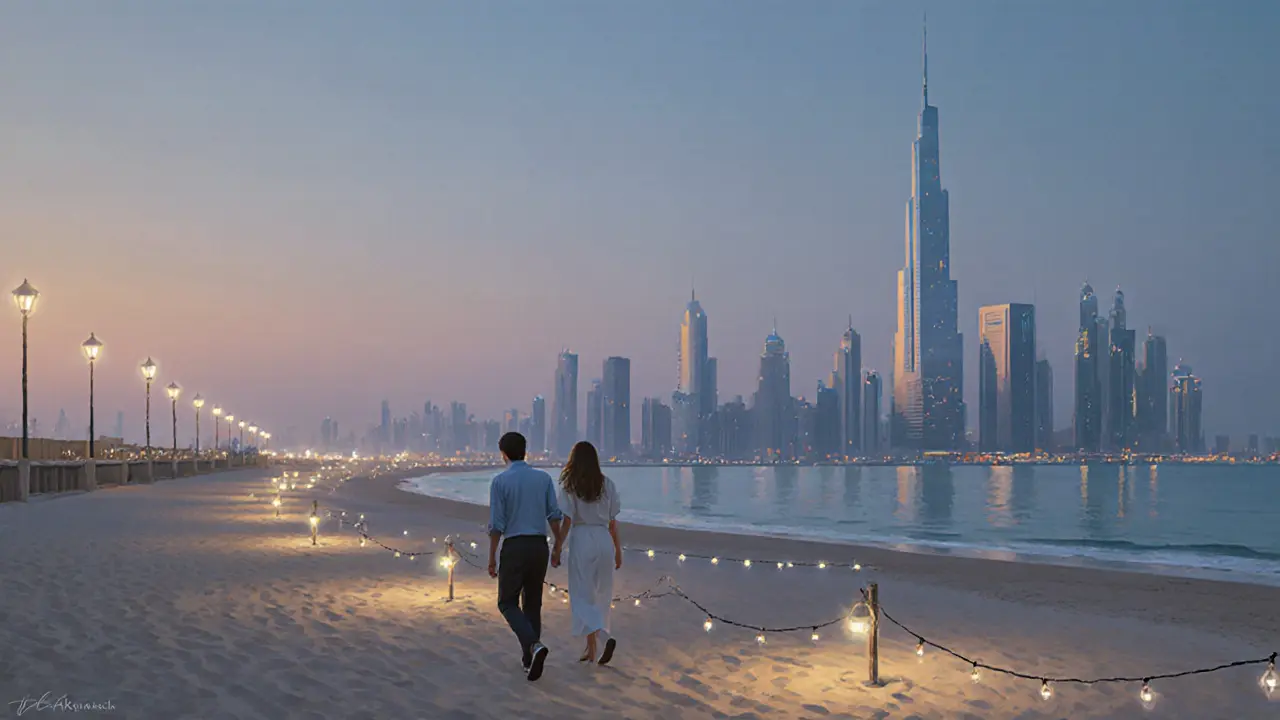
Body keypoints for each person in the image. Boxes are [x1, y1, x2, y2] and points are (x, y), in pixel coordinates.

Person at [488, 432, 565, 681]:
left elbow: (497, 524)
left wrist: (492, 557)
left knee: (507, 602)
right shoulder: (542, 479)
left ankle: (533, 645)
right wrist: (558, 545)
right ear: (525, 451)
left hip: (515, 545)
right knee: (533, 603)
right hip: (538, 545)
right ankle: (529, 659)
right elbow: (554, 515)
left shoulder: (500, 482)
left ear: (504, 454)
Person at [554, 441, 622, 665]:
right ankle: (590, 649)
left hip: (582, 539)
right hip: (604, 540)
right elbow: (613, 523)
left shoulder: (569, 485)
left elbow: (567, 520)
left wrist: (557, 546)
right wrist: (618, 550)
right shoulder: (607, 484)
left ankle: (602, 636)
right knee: (601, 595)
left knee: (581, 595)